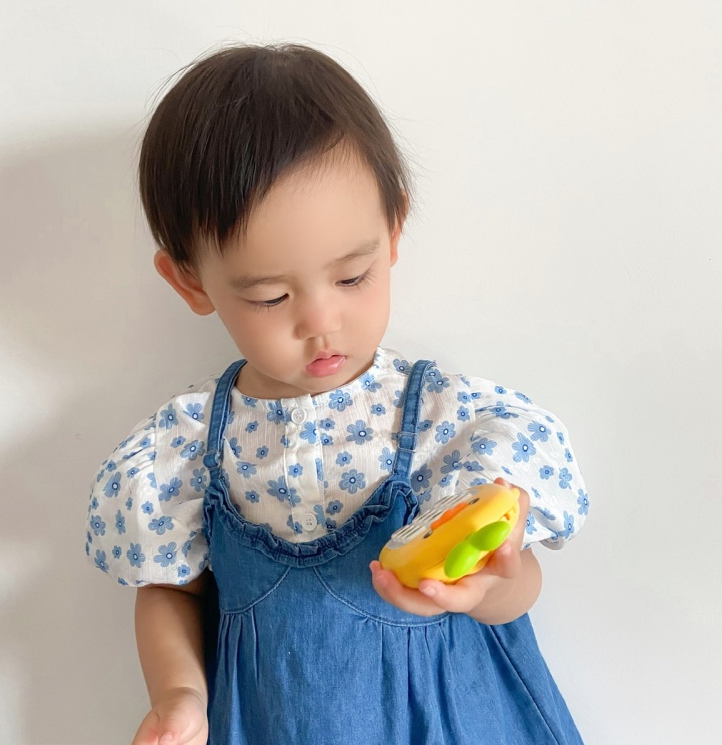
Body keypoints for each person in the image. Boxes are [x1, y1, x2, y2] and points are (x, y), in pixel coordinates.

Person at [85, 43, 589, 745]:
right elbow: (170, 590)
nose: (321, 322)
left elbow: (517, 581)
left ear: (393, 231)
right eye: (270, 296)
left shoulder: (450, 422)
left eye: (353, 277)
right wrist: (179, 696)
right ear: (191, 281)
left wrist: (491, 589)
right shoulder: (189, 448)